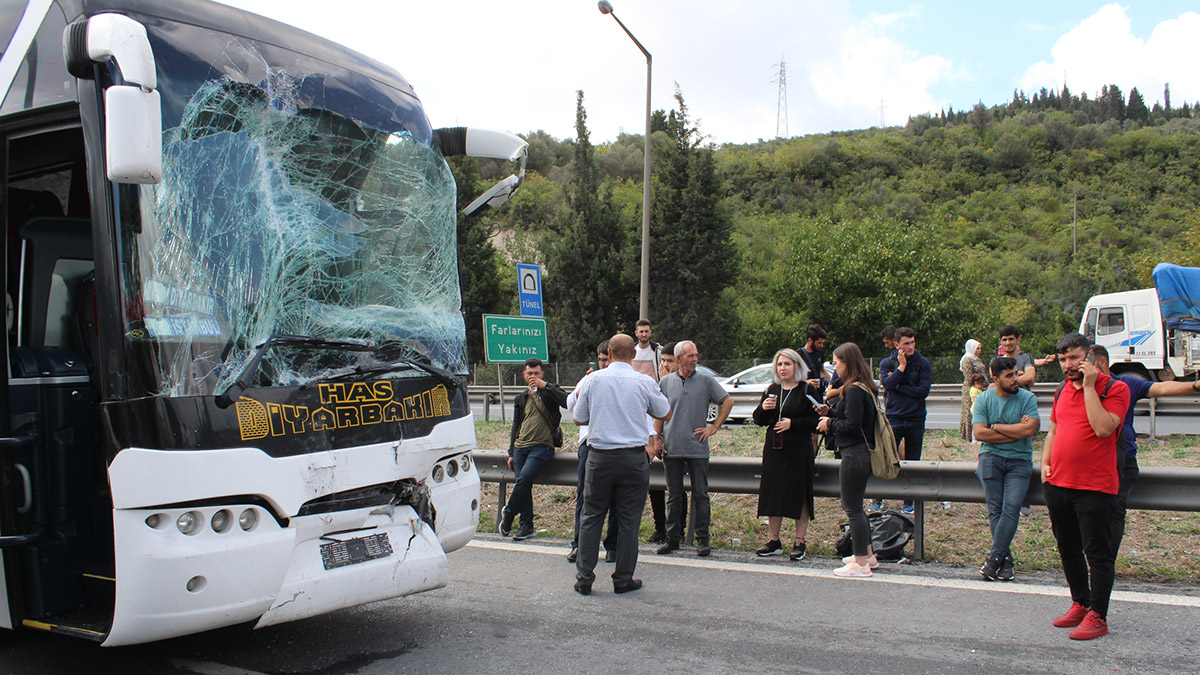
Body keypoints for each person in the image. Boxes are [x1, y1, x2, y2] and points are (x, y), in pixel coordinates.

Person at [1042, 333, 1130, 640]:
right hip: (1059, 483)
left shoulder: (1115, 388)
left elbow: (1103, 428)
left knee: (1098, 553)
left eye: (1075, 358)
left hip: (1094, 485)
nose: (1068, 365)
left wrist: (1090, 387)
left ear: (1090, 356)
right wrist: (1045, 464)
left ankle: (1098, 615)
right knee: (1068, 549)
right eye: (1063, 359)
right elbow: (1054, 430)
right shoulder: (1062, 389)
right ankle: (1080, 602)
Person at [572, 334, 671, 595]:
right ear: (634, 354)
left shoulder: (593, 380)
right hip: (633, 459)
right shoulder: (644, 381)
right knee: (628, 519)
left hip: (600, 457)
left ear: (609, 354)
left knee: (591, 516)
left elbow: (579, 418)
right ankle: (623, 578)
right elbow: (665, 412)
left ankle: (584, 578)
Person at [1089, 344, 1200, 558]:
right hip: (1091, 461)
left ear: (1101, 361)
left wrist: (1194, 386)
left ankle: (1104, 563)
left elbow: (1162, 388)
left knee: (1114, 512)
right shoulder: (1079, 388)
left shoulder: (1124, 385)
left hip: (1122, 460)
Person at [655, 340, 733, 557]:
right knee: (673, 495)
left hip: (697, 448)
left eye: (696, 355)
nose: (695, 359)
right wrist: (656, 440)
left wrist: (714, 427)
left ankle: (702, 540)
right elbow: (659, 413)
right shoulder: (666, 382)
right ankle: (672, 538)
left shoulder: (706, 380)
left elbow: (727, 401)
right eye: (691, 356)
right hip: (671, 447)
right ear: (679, 358)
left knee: (701, 495)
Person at [971, 356, 1040, 581]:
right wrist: (1015, 430)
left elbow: (1030, 430)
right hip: (990, 459)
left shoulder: (1027, 398)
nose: (1015, 379)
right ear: (995, 378)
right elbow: (979, 433)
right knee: (995, 511)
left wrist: (996, 427)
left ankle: (994, 560)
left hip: (1020, 461)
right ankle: (1006, 560)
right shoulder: (984, 399)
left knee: (1011, 508)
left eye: (1016, 374)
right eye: (1009, 376)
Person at [751, 349, 820, 561]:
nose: (783, 368)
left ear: (797, 366)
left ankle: (799, 541)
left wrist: (794, 423)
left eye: (787, 364)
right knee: (774, 492)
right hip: (775, 450)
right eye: (780, 364)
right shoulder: (772, 389)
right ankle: (774, 541)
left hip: (798, 449)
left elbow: (817, 420)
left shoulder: (807, 389)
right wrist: (763, 408)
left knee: (800, 493)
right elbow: (759, 420)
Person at [817, 343, 877, 578]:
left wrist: (829, 424)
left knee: (852, 508)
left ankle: (860, 563)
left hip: (854, 453)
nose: (835, 369)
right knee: (857, 507)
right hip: (862, 453)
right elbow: (855, 419)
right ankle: (868, 555)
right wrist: (830, 413)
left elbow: (852, 425)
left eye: (836, 363)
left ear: (847, 363)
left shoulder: (853, 390)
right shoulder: (864, 386)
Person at [500, 358, 569, 541]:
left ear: (542, 374)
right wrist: (511, 452)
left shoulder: (550, 392)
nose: (533, 376)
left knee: (525, 478)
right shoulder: (521, 398)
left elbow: (567, 401)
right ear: (524, 375)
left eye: (536, 373)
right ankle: (526, 526)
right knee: (523, 485)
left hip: (542, 446)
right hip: (520, 447)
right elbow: (516, 425)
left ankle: (509, 513)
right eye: (529, 373)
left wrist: (545, 386)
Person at [565, 340, 619, 563]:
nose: (604, 364)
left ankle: (613, 546)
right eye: (601, 360)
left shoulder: (622, 380)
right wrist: (584, 386)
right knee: (585, 497)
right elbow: (570, 404)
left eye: (608, 360)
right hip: (589, 445)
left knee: (616, 499)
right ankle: (580, 545)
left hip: (615, 445)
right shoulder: (589, 379)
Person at [879, 327, 932, 513]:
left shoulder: (922, 363)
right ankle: (878, 497)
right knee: (886, 458)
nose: (910, 347)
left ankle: (909, 502)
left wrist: (899, 387)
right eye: (906, 343)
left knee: (913, 462)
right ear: (897, 345)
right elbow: (888, 384)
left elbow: (923, 391)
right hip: (894, 417)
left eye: (912, 342)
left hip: (916, 418)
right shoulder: (887, 363)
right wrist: (901, 368)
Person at [649, 340, 685, 543]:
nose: (665, 365)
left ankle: (679, 529)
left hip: (676, 442)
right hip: (658, 441)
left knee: (677, 490)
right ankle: (660, 528)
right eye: (663, 360)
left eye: (670, 361)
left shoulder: (681, 382)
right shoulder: (660, 382)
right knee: (655, 487)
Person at [959, 339, 986, 441]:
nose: (979, 350)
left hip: (981, 387)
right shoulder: (967, 360)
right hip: (972, 388)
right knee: (970, 411)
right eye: (977, 348)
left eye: (980, 348)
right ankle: (969, 436)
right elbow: (968, 376)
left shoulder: (977, 359)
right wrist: (977, 385)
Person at [999, 325, 1037, 390]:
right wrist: (1020, 375)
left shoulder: (1026, 357)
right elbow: (997, 381)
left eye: (1011, 339)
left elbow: (1029, 377)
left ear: (1018, 340)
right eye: (1005, 340)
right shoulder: (996, 360)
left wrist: (1006, 381)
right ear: (1000, 341)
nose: (1008, 343)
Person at [799, 324, 828, 393]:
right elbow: (792, 378)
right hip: (804, 392)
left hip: (818, 392)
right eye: (819, 343)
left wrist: (832, 381)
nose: (821, 346)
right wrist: (806, 382)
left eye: (823, 343)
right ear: (810, 340)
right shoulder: (798, 355)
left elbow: (822, 371)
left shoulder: (820, 353)